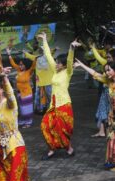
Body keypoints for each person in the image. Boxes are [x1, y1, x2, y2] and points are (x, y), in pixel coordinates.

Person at [37, 32, 81, 160]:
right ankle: (51, 148)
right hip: (53, 105)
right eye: (56, 62)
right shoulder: (55, 71)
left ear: (63, 65)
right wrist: (45, 40)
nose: (55, 64)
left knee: (62, 130)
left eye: (58, 63)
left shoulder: (68, 72)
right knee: (45, 125)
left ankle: (69, 148)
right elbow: (48, 55)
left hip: (64, 104)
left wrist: (71, 48)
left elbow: (69, 60)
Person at [73, 59, 115, 170]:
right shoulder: (108, 81)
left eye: (109, 70)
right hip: (112, 118)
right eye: (105, 71)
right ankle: (112, 161)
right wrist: (82, 64)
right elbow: (94, 73)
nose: (106, 73)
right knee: (111, 139)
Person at [6, 47, 36, 128]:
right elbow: (13, 64)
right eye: (20, 64)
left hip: (27, 93)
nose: (20, 66)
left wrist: (35, 58)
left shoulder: (29, 72)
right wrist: (9, 54)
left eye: (22, 64)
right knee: (22, 109)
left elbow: (33, 66)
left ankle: (28, 122)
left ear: (26, 65)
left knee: (27, 109)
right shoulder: (19, 70)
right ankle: (23, 121)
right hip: (19, 93)